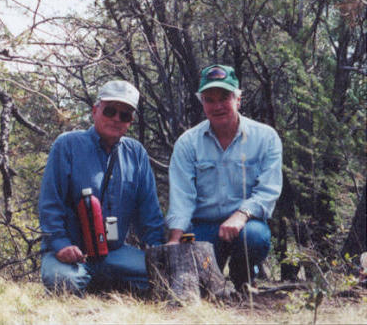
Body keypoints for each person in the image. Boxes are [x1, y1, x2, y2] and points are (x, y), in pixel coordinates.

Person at [39, 80, 165, 295]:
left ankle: (102, 285)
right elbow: (50, 204)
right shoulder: (67, 145)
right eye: (110, 111)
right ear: (95, 110)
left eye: (125, 115)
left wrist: (159, 251)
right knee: (63, 281)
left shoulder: (136, 153)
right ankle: (96, 285)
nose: (116, 119)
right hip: (71, 253)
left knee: (164, 275)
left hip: (114, 252)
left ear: (131, 121)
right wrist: (60, 245)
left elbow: (149, 213)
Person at [166, 65, 282, 290]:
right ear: (202, 103)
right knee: (198, 281)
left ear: (238, 99)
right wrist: (174, 240)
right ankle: (210, 281)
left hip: (245, 225)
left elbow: (268, 191)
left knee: (255, 236)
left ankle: (243, 279)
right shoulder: (187, 143)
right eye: (209, 99)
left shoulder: (266, 138)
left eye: (225, 97)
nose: (217, 106)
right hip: (203, 228)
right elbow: (182, 197)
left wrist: (241, 215)